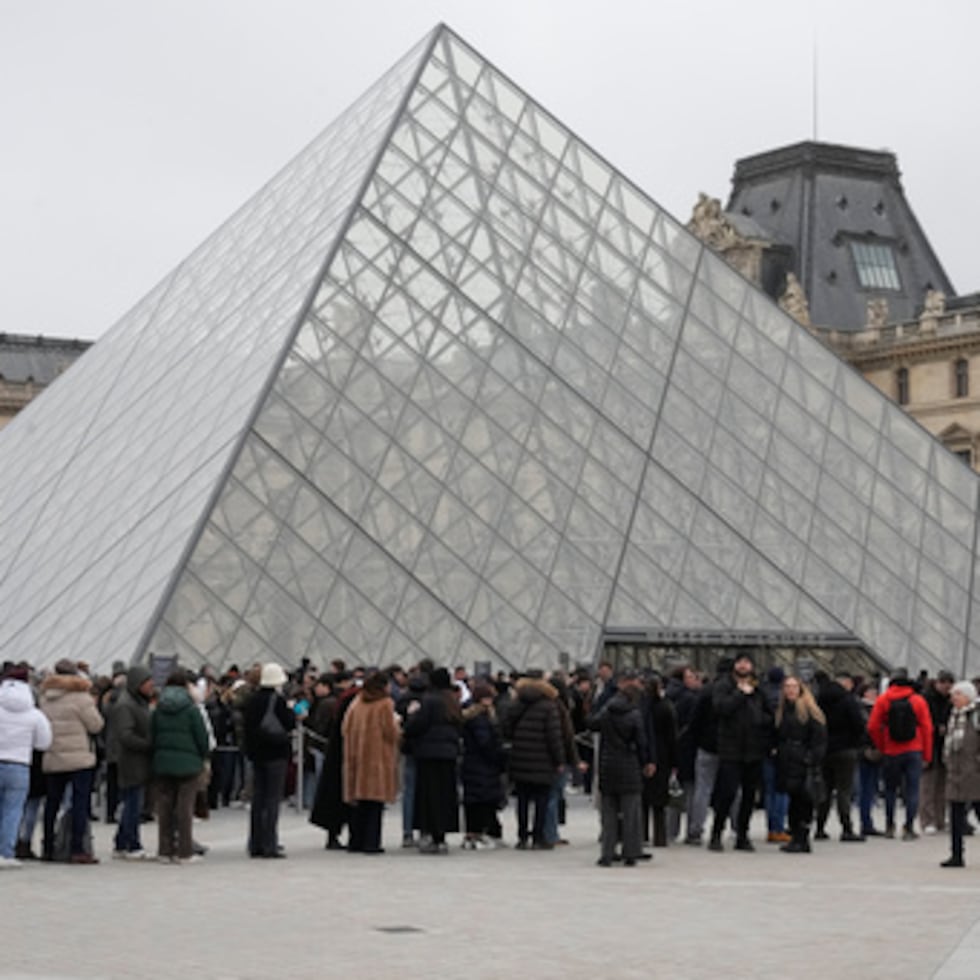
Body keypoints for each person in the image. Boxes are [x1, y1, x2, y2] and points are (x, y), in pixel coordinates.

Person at [40, 658, 105, 864]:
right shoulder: (81, 698)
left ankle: (48, 847)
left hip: (53, 756)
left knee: (52, 803)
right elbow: (96, 725)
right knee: (79, 803)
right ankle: (77, 849)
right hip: (79, 758)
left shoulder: (45, 697)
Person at [589, 669, 654, 867]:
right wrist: (646, 762)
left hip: (608, 764)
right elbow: (641, 742)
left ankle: (607, 853)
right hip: (629, 765)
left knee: (609, 812)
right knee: (631, 812)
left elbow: (592, 724)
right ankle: (631, 852)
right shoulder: (634, 715)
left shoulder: (607, 710)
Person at [709, 652, 773, 852]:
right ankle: (716, 833)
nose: (744, 666)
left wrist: (759, 720)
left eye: (747, 662)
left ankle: (742, 835)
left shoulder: (758, 688)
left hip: (754, 749)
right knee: (727, 793)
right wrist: (739, 694)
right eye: (740, 662)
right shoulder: (724, 685)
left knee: (749, 795)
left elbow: (769, 714)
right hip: (731, 748)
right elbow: (720, 708)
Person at [151, 668, 210, 864]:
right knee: (185, 808)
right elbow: (202, 738)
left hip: (163, 763)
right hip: (188, 764)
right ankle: (184, 851)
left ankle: (165, 850)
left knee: (165, 807)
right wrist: (202, 756)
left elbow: (152, 735)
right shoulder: (191, 710)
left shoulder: (159, 708)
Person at [867, 670, 934, 839]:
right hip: (914, 749)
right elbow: (927, 729)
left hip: (891, 750)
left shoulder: (883, 700)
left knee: (890, 790)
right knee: (912, 790)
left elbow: (872, 726)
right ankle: (909, 827)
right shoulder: (918, 700)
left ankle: (890, 826)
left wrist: (882, 745)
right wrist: (927, 755)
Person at [504, 670, 564, 850]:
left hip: (520, 757)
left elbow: (506, 729)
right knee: (541, 799)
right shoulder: (549, 706)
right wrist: (559, 760)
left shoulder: (517, 703)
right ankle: (538, 837)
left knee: (522, 799)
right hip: (543, 759)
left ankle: (522, 836)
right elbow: (554, 736)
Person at [404, 667, 461, 854]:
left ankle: (430, 834)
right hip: (449, 754)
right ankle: (441, 836)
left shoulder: (429, 700)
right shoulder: (452, 701)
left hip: (428, 754)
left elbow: (417, 725)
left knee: (429, 796)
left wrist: (411, 716)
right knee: (445, 795)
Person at [0, 665, 52, 868]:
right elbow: (44, 743)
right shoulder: (34, 714)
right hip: (19, 764)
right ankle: (6, 852)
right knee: (13, 811)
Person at [342, 670, 399, 854]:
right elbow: (391, 732)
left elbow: (345, 727)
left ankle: (355, 841)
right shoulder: (385, 704)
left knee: (360, 803)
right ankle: (371, 843)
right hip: (377, 758)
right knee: (375, 804)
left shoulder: (357, 702)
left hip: (357, 758)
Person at [243, 663, 295, 859]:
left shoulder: (252, 700)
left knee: (258, 798)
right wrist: (291, 710)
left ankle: (255, 842)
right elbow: (289, 723)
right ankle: (269, 844)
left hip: (257, 754)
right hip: (276, 753)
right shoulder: (278, 700)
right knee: (273, 799)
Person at [774, 676, 827, 854]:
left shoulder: (810, 710)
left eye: (794, 686)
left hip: (803, 762)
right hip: (786, 760)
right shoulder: (782, 710)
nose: (790, 690)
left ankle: (802, 837)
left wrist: (810, 758)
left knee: (803, 801)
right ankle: (795, 836)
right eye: (787, 686)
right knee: (793, 800)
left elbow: (819, 739)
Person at [814, 671, 866, 842]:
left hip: (824, 749)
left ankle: (820, 827)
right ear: (846, 683)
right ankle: (846, 828)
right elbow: (858, 724)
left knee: (825, 790)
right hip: (846, 749)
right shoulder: (848, 700)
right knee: (844, 790)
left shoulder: (819, 699)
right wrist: (857, 742)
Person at [109, 665, 154, 859]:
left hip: (138, 760)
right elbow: (125, 735)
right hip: (131, 761)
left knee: (132, 802)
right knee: (133, 804)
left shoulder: (138, 702)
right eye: (148, 682)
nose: (152, 685)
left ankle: (121, 842)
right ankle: (132, 844)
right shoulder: (126, 705)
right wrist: (148, 744)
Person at [460, 680, 507, 848]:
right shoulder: (481, 718)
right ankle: (483, 832)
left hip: (473, 764)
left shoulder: (470, 715)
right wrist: (499, 755)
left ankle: (474, 833)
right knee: (484, 800)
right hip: (483, 765)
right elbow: (485, 743)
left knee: (475, 800)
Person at [940, 681, 980, 868]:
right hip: (955, 771)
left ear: (968, 696)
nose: (953, 698)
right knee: (955, 813)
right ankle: (956, 854)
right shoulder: (954, 715)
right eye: (953, 694)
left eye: (958, 694)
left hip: (974, 771)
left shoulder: (976, 715)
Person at [922, 670, 954, 834]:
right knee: (928, 785)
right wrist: (936, 727)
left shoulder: (950, 700)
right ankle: (928, 819)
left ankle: (940, 819)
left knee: (942, 785)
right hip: (930, 745)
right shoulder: (926, 699)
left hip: (944, 746)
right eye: (943, 683)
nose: (946, 687)